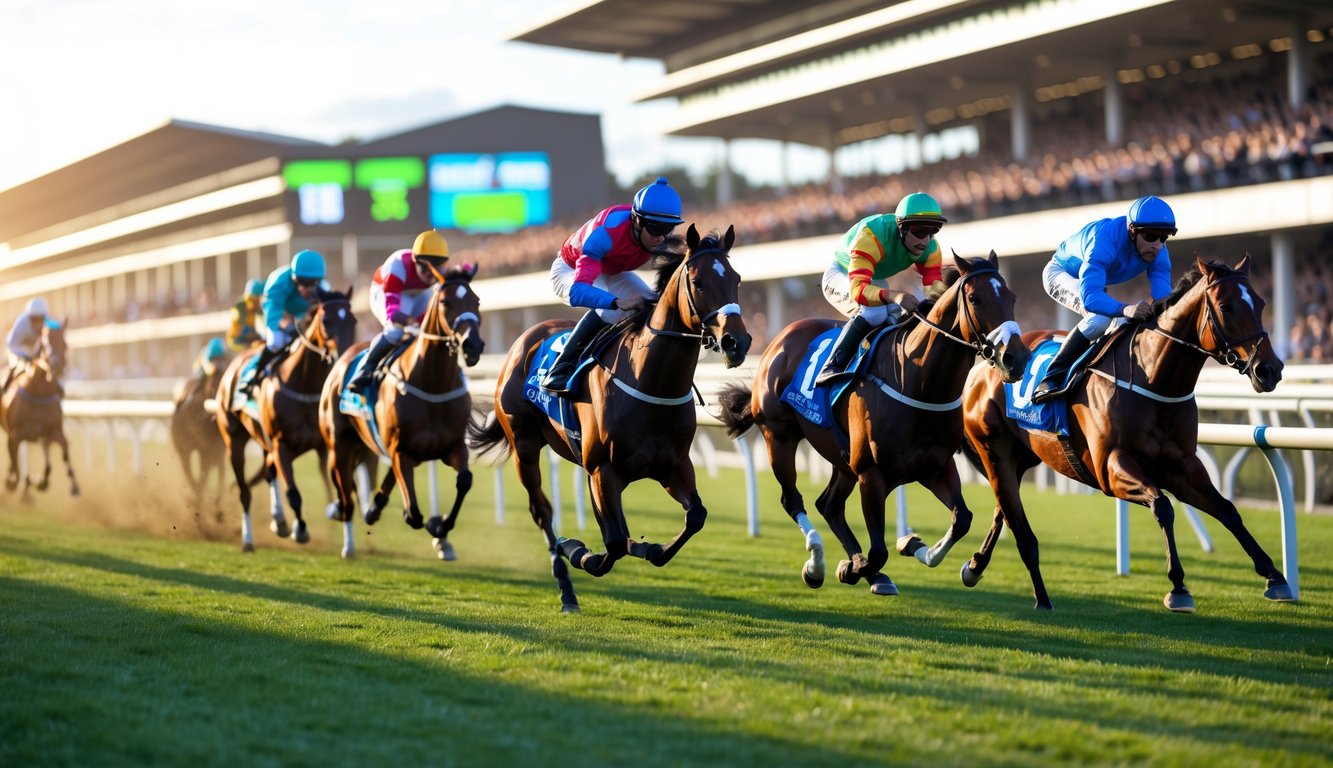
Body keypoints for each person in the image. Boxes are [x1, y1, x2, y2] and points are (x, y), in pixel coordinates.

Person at [540, 176, 684, 393]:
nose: (662, 238)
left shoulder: (658, 236)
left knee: (653, 306)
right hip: (571, 270)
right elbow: (579, 291)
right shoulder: (605, 233)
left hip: (612, 270)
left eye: (668, 228)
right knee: (612, 309)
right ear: (637, 221)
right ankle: (560, 368)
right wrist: (617, 302)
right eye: (656, 228)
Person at [1030, 195, 1176, 403]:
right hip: (1062, 274)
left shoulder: (1158, 251)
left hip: (1093, 281)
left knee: (1125, 324)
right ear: (1132, 230)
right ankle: (1050, 378)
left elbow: (1164, 298)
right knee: (1099, 320)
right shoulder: (1105, 239)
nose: (1158, 245)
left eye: (1164, 237)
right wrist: (1125, 308)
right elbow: (1091, 298)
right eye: (1151, 236)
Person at [814, 192, 949, 384]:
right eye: (920, 231)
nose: (925, 240)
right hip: (842, 276)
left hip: (874, 280)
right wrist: (896, 296)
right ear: (901, 226)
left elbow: (935, 293)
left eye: (933, 231)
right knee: (875, 313)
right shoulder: (872, 236)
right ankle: (833, 365)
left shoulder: (931, 249)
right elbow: (858, 291)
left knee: (903, 313)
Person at [347, 230, 451, 395]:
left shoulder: (442, 272)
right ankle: (366, 370)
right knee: (395, 330)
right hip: (385, 292)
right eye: (425, 269)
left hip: (419, 295)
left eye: (435, 270)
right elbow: (392, 312)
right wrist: (410, 322)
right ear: (415, 261)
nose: (430, 275)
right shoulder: (397, 266)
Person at [237, 249, 327, 398]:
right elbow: (273, 308)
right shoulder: (279, 283)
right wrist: (275, 328)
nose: (308, 288)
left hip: (301, 316)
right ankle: (251, 377)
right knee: (276, 343)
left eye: (313, 283)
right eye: (303, 283)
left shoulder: (323, 287)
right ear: (294, 278)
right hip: (277, 314)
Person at [2, 297, 53, 395]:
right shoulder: (21, 323)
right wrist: (24, 355)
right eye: (34, 319)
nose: (38, 323)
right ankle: (4, 389)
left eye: (41, 319)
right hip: (18, 352)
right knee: (14, 368)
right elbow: (11, 345)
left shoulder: (48, 322)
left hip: (37, 353)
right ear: (29, 317)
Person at [227, 279, 265, 351]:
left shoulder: (253, 305)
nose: (259, 301)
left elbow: (263, 316)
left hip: (247, 338)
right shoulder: (241, 306)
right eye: (258, 298)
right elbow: (243, 328)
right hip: (237, 341)